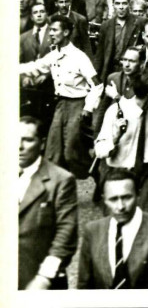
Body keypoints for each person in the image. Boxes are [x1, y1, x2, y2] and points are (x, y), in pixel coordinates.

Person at [77, 168, 148, 289]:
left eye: (126, 197)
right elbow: (83, 285)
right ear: (104, 199)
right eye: (113, 199)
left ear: (138, 194)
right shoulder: (93, 231)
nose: (120, 206)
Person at [19, 14, 102, 179]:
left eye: (54, 30)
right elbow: (36, 66)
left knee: (71, 151)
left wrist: (88, 108)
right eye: (50, 30)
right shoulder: (53, 54)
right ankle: (52, 188)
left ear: (65, 33)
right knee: (52, 150)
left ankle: (95, 173)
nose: (51, 33)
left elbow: (97, 85)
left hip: (77, 104)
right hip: (61, 105)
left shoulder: (79, 57)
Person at [94, 71, 148, 213]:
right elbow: (99, 151)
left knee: (146, 220)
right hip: (120, 173)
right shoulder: (115, 111)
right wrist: (116, 137)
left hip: (147, 175)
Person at [18, 116, 78, 290]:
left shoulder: (60, 180)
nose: (19, 147)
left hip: (40, 282)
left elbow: (66, 233)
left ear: (42, 143)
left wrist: (44, 278)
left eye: (27, 140)